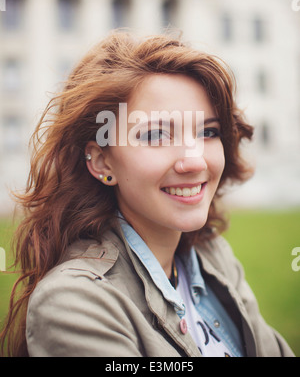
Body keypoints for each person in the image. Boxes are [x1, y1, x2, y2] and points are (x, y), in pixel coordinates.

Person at [0, 32, 294, 357]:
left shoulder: (212, 255)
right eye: (156, 135)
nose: (194, 160)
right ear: (101, 160)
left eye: (208, 132)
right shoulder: (73, 302)